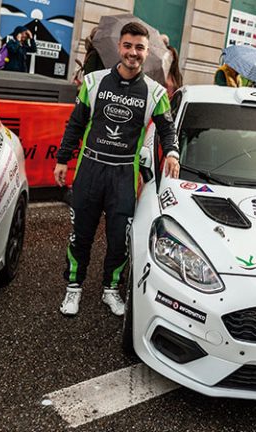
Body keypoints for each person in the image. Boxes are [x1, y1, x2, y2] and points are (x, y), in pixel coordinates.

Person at [54, 22, 181, 316]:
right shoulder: (93, 82)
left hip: (124, 174)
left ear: (147, 53)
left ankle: (111, 290)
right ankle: (73, 288)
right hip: (90, 169)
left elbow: (167, 128)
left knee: (119, 240)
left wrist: (172, 153)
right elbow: (76, 124)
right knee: (80, 235)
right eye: (128, 46)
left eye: (139, 48)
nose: (133, 53)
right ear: (119, 48)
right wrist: (63, 159)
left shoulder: (156, 92)